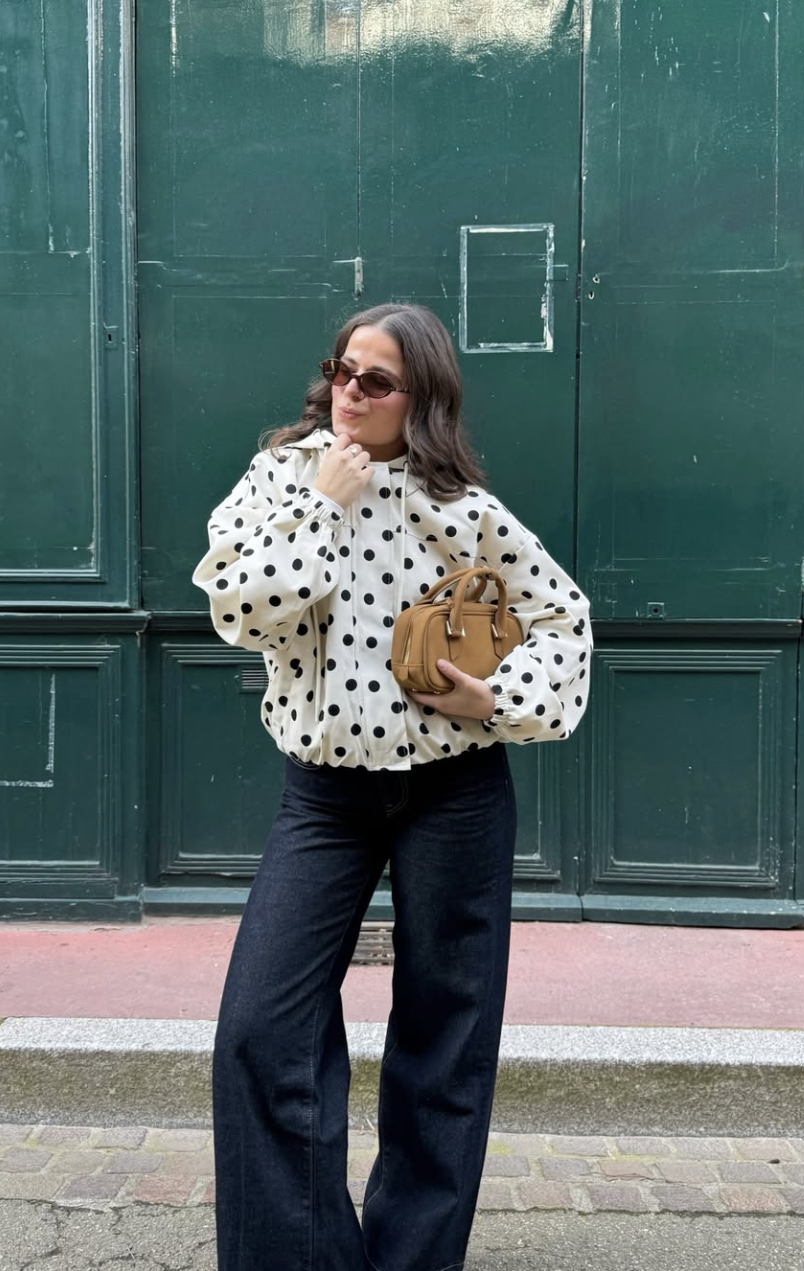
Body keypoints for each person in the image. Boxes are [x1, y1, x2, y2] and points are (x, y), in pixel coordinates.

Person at [191, 302, 593, 1271]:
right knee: (259, 1029)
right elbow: (240, 607)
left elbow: (564, 620)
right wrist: (324, 502)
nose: (349, 392)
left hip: (456, 789)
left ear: (422, 397)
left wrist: (494, 696)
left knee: (445, 1034)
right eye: (341, 370)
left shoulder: (461, 506)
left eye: (375, 381)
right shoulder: (281, 478)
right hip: (325, 794)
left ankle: (413, 1258)